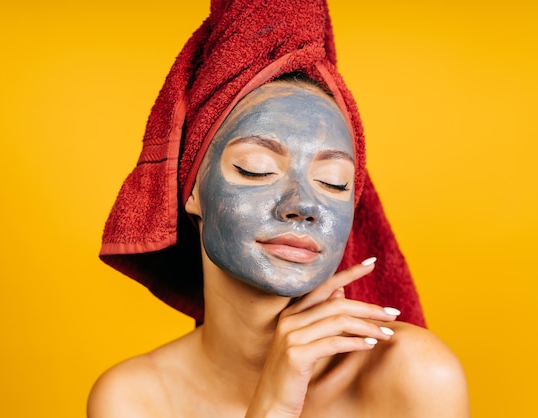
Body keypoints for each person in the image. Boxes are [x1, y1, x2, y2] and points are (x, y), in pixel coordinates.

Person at [89, 1, 469, 416]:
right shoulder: (135, 400)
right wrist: (272, 405)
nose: (303, 205)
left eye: (334, 182)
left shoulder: (413, 376)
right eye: (257, 169)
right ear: (190, 189)